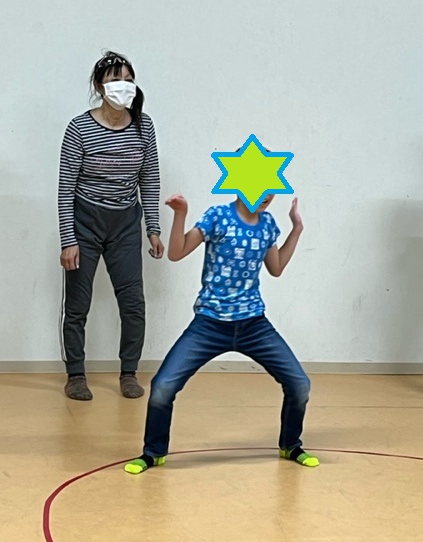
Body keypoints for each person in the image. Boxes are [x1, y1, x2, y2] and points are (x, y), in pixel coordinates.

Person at [125, 192, 319, 473]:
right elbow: (176, 253)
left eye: (271, 191)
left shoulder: (267, 224)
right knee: (163, 387)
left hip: (254, 325)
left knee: (299, 384)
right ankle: (154, 452)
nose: (266, 196)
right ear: (240, 186)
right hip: (209, 325)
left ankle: (290, 445)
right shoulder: (218, 216)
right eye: (260, 188)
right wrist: (181, 213)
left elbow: (276, 267)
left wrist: (296, 229)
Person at [58, 51, 164, 401]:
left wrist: (153, 228)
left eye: (129, 80)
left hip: (125, 224)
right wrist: (68, 239)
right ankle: (76, 375)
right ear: (99, 86)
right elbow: (66, 187)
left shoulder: (143, 126)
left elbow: (149, 179)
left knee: (133, 303)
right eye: (116, 79)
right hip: (85, 222)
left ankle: (129, 372)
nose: (124, 86)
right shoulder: (79, 128)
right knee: (78, 304)